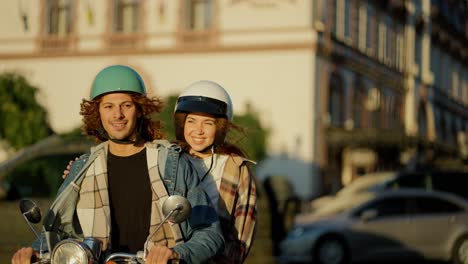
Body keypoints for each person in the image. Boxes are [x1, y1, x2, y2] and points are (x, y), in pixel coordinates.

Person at [11, 65, 224, 264]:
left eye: (126, 105)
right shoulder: (82, 168)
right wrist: (36, 252)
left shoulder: (172, 164)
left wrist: (176, 253)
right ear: (98, 112)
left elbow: (210, 233)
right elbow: (57, 228)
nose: (117, 115)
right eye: (109, 106)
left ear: (139, 109)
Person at [173, 80, 257, 263]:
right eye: (191, 121)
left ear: (220, 127)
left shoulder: (237, 169)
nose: (198, 130)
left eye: (208, 123)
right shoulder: (169, 159)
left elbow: (242, 233)